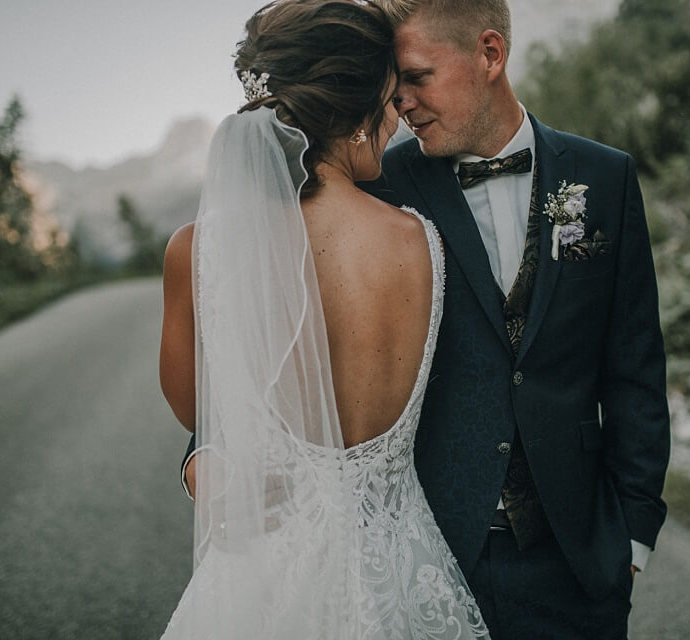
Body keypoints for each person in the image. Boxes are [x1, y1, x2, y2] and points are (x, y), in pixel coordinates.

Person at [182, 0, 671, 637]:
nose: (400, 104)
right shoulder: (372, 181)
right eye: (393, 86)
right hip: (425, 560)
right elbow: (267, 323)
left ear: (489, 55)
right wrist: (208, 451)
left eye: (416, 78)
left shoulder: (604, 176)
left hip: (577, 561)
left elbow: (635, 369)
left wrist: (633, 537)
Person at [159, 0, 489, 638]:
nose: (397, 117)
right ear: (357, 115)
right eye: (390, 99)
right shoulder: (421, 241)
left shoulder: (196, 251)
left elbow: (196, 412)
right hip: (402, 570)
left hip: (266, 575)